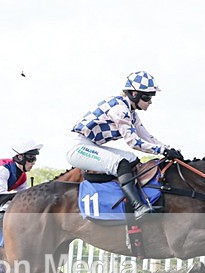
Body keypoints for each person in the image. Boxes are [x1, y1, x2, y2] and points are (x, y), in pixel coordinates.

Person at [67, 70, 183, 220]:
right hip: (77, 146)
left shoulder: (130, 111)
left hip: (90, 145)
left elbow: (146, 136)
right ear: (134, 94)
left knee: (132, 160)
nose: (150, 102)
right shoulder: (120, 109)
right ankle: (137, 206)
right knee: (121, 163)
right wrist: (162, 150)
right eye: (147, 97)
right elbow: (133, 142)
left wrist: (168, 148)